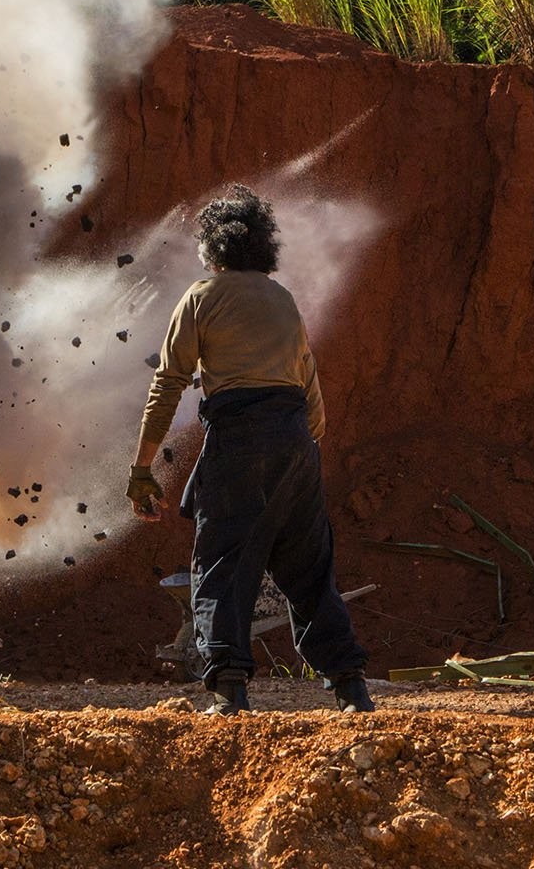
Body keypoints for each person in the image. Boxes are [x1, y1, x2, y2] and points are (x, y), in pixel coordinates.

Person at [127, 185, 373, 716]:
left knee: (221, 563)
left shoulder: (201, 297)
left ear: (214, 247)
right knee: (309, 571)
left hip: (239, 439)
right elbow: (314, 399)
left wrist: (142, 469)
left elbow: (168, 383)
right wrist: (296, 462)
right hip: (296, 443)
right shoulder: (282, 299)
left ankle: (229, 690)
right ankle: (351, 686)